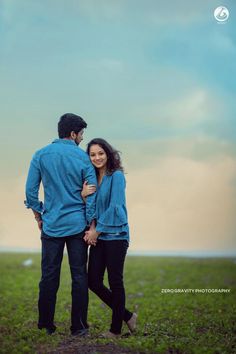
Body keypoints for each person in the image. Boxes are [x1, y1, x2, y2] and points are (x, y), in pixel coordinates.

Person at [24, 113, 97, 336]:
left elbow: (30, 192)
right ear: (73, 133)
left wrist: (39, 216)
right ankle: (79, 327)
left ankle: (45, 325)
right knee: (79, 276)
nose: (82, 139)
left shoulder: (40, 155)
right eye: (81, 134)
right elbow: (92, 193)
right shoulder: (83, 158)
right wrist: (89, 222)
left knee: (48, 276)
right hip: (77, 225)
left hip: (51, 224)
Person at [82, 138, 137, 338]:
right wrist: (83, 196)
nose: (97, 157)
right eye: (93, 154)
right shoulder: (92, 178)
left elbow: (115, 207)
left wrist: (98, 229)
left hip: (116, 235)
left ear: (108, 154)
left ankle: (115, 330)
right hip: (101, 235)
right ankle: (128, 316)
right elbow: (93, 209)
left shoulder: (117, 176)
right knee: (93, 282)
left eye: (100, 153)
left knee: (115, 281)